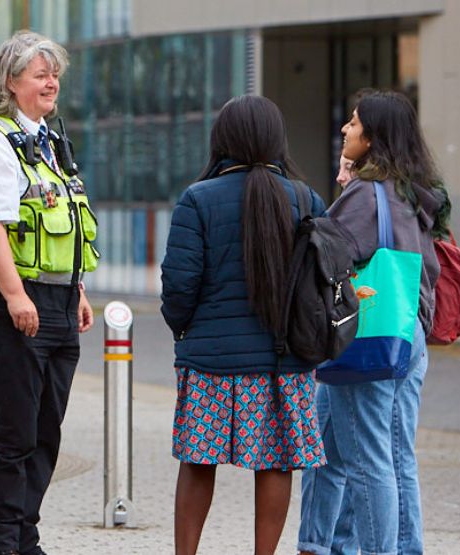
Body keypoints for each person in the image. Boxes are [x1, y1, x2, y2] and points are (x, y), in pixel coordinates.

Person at [160, 95, 325, 555]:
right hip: (283, 360)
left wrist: (184, 331)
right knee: (276, 462)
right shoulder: (304, 198)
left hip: (211, 362)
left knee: (197, 461)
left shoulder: (198, 199)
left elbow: (179, 286)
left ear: (222, 141)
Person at [0, 31, 94, 555]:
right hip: (9, 297)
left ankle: (22, 536)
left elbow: (65, 223)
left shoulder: (52, 144)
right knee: (12, 429)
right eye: (39, 74)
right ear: (10, 84)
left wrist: (75, 288)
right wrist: (15, 296)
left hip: (55, 300)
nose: (51, 81)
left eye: (54, 73)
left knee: (44, 431)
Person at [297, 90, 449, 555]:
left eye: (356, 124)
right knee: (354, 452)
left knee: (368, 461)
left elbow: (323, 255)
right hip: (406, 337)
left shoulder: (368, 195)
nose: (346, 129)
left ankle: (379, 550)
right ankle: (322, 543)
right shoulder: (413, 195)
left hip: (366, 338)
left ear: (375, 137)